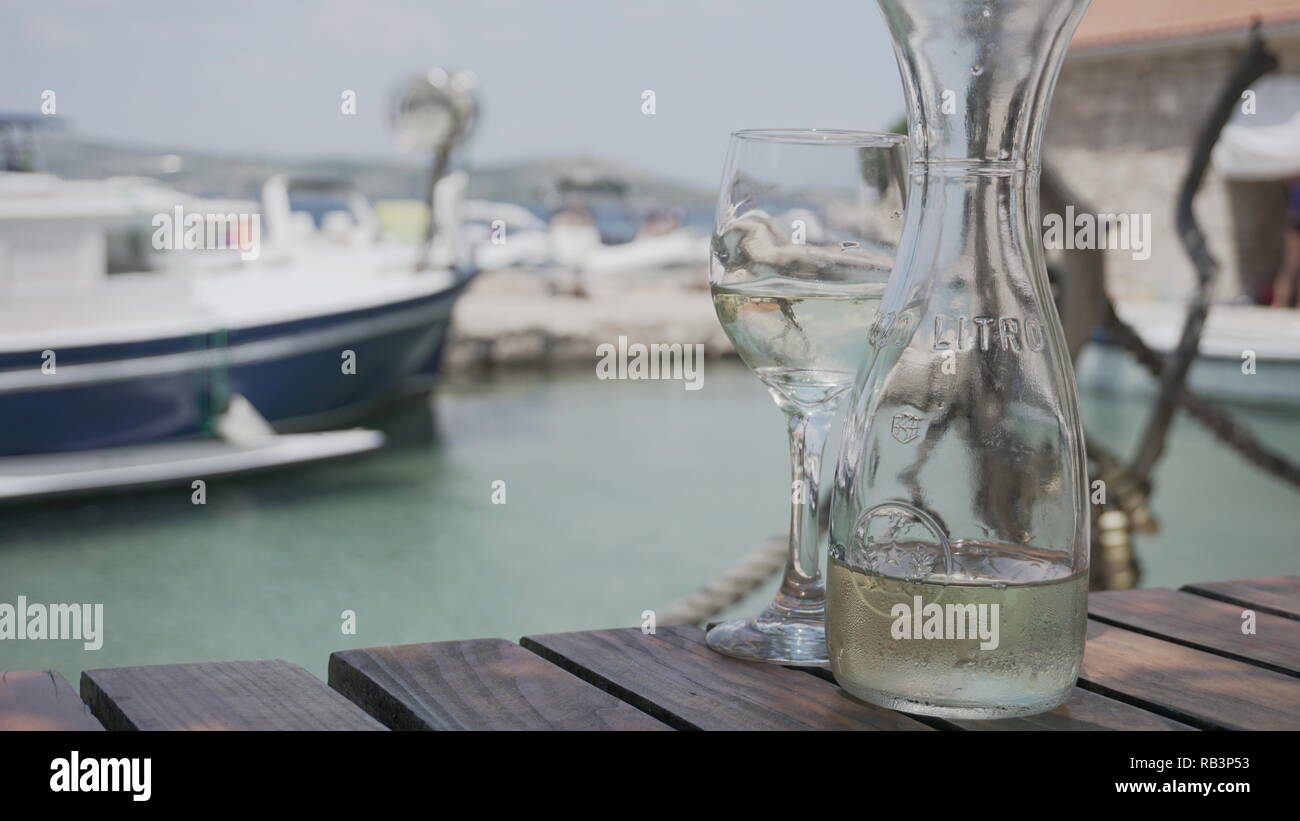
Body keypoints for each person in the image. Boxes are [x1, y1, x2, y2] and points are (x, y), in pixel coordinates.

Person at [1270, 178, 1300, 308]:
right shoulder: (1292, 177)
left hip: (1294, 220)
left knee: (1290, 266)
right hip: (1295, 220)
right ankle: (1279, 303)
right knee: (1290, 265)